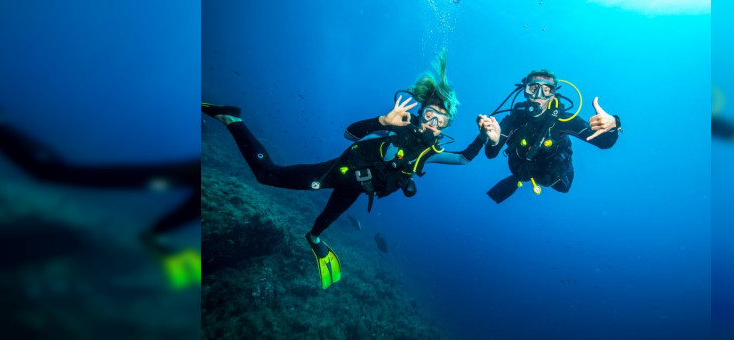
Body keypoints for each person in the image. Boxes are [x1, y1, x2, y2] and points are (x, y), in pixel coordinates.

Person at [201, 52, 489, 289]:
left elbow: (463, 159)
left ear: (447, 126)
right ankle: (233, 119)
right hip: (339, 172)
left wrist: (483, 136)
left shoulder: (430, 153)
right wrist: (382, 121)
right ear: (421, 112)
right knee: (266, 175)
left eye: (441, 121)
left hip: (359, 188)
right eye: (429, 115)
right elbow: (349, 134)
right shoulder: (397, 126)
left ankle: (314, 239)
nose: (432, 124)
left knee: (324, 221)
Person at [0, 103, 201, 290]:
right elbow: (190, 207)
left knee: (54, 171)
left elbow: (190, 207)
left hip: (170, 178)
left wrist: (160, 236)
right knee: (52, 172)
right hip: (165, 178)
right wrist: (159, 237)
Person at [478, 69, 622, 203]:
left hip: (553, 173)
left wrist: (614, 125)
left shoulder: (564, 120)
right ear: (525, 91)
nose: (538, 95)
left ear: (553, 94)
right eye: (533, 88)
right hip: (522, 169)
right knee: (521, 175)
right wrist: (493, 142)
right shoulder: (514, 120)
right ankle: (518, 179)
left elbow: (605, 143)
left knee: (564, 188)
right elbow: (490, 153)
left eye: (546, 90)